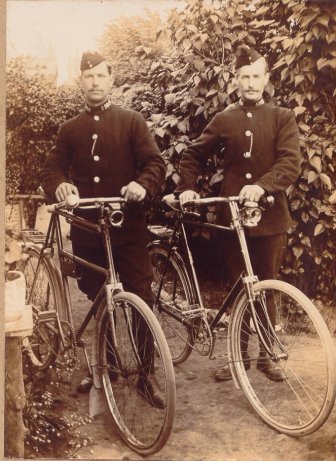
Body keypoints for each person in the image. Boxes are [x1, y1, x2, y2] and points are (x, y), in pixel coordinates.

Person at [41, 51, 166, 407]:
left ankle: (146, 375)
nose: (94, 82)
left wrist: (142, 184)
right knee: (99, 298)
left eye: (100, 76)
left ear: (111, 80)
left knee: (141, 297)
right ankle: (107, 367)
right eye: (88, 77)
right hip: (88, 231)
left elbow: (155, 163)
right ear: (81, 82)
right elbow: (52, 171)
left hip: (127, 229)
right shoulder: (70, 130)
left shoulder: (131, 121)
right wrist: (61, 186)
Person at [175, 45, 301, 382]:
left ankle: (267, 356)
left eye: (256, 76)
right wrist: (188, 186)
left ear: (266, 79)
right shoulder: (224, 119)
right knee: (238, 286)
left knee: (268, 285)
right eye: (244, 77)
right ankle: (239, 359)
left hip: (270, 217)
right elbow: (192, 155)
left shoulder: (281, 117)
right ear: (236, 80)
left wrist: (263, 185)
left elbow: (290, 163)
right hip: (231, 218)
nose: (250, 83)